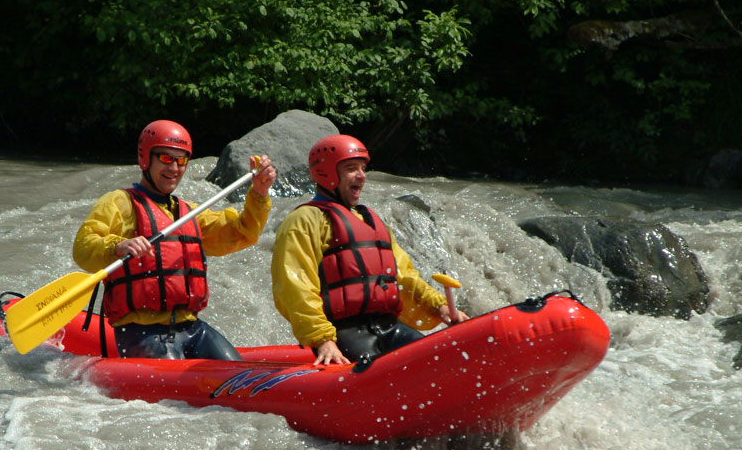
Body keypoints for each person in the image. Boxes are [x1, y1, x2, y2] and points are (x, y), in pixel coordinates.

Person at [73, 119, 276, 360]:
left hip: (192, 330)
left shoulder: (188, 213)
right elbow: (83, 248)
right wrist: (118, 246)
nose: (175, 168)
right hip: (141, 333)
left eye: (181, 160)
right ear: (145, 159)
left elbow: (243, 232)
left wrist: (260, 193)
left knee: (239, 375)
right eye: (166, 158)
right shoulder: (120, 203)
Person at [271, 134, 467, 366]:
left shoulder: (369, 220)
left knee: (441, 363)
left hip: (388, 326)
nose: (361, 176)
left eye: (363, 168)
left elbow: (403, 276)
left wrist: (439, 306)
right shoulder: (305, 220)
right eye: (351, 168)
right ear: (326, 173)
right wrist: (322, 339)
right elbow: (296, 286)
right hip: (344, 332)